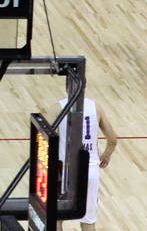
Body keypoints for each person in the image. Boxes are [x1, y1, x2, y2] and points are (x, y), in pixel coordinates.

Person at [51, 96, 119, 231]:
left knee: (56, 219)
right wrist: (106, 155)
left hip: (66, 169)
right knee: (88, 222)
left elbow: (45, 138)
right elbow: (113, 139)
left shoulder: (57, 107)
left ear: (67, 86)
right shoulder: (96, 107)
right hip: (90, 171)